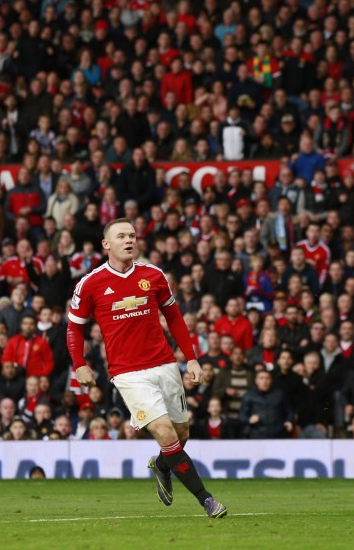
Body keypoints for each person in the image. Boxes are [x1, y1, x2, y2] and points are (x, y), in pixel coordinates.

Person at [66, 218, 227, 518]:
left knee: (180, 435)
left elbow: (175, 317)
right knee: (166, 434)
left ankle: (162, 465)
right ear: (106, 244)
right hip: (128, 373)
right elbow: (74, 327)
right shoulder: (90, 283)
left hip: (165, 363)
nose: (129, 240)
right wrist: (80, 364)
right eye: (121, 236)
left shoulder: (154, 275)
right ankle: (207, 500)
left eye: (132, 235)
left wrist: (190, 358)